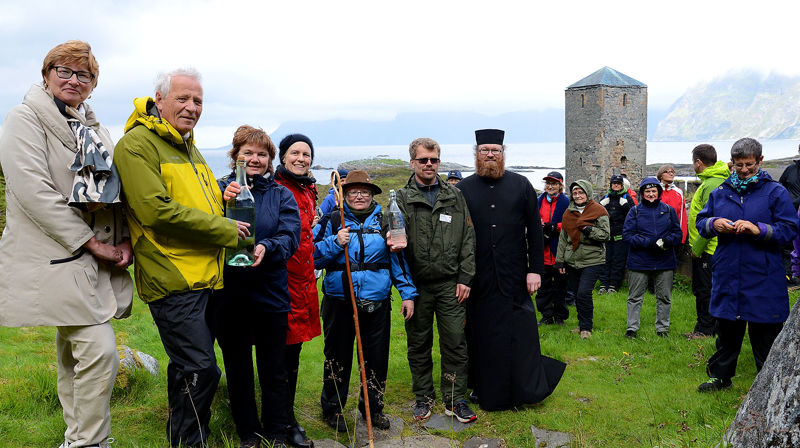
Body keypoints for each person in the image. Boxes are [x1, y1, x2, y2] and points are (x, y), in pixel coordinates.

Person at [0, 40, 133, 448]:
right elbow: (33, 191)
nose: (74, 80)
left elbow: (115, 190)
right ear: (46, 75)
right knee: (99, 351)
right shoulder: (24, 119)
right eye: (65, 71)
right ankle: (92, 442)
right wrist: (91, 243)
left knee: (73, 354)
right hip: (55, 256)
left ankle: (76, 439)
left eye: (85, 74)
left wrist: (124, 237)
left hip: (92, 260)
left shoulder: (96, 130)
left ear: (93, 85)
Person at [114, 68, 247, 447]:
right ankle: (192, 442)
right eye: (183, 99)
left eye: (198, 101)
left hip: (207, 275)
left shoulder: (189, 146)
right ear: (159, 100)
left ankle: (182, 438)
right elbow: (156, 210)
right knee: (203, 370)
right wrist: (225, 230)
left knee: (186, 369)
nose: (191, 108)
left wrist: (226, 203)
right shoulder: (137, 144)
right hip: (173, 278)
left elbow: (199, 203)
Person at [457, 128, 565, 411]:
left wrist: (536, 270)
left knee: (521, 333)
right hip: (478, 278)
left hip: (515, 275)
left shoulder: (521, 185)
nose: (490, 155)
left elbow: (535, 230)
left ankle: (525, 387)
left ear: (503, 153)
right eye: (485, 150)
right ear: (476, 154)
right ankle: (483, 387)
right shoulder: (462, 189)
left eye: (495, 150)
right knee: (482, 335)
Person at [217, 126, 300, 448]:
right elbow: (202, 225)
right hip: (230, 293)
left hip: (270, 292)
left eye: (261, 154)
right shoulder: (219, 189)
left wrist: (266, 247)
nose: (254, 158)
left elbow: (290, 235)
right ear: (235, 156)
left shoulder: (281, 195)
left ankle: (277, 431)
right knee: (237, 368)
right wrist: (220, 205)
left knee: (273, 368)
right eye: (247, 152)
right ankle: (248, 433)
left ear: (269, 161)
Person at [314, 170, 418, 431]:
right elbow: (312, 257)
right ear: (345, 195)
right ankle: (333, 409)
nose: (359, 196)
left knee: (376, 358)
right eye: (353, 192)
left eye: (364, 192)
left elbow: (398, 260)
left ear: (372, 195)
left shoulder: (385, 221)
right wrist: (336, 243)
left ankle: (372, 408)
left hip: (377, 302)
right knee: (337, 356)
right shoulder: (332, 219)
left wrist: (407, 294)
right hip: (339, 301)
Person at [696, 137, 798, 392]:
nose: (743, 170)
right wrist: (713, 224)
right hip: (728, 271)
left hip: (763, 274)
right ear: (731, 163)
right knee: (727, 330)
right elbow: (702, 220)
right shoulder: (721, 192)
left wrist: (759, 229)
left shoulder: (775, 192)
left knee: (766, 332)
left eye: (749, 165)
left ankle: (771, 383)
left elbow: (789, 230)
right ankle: (720, 376)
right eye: (739, 165)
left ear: (760, 161)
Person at [395, 137, 477, 423]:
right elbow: (393, 244)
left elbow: (468, 237)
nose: (428, 165)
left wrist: (465, 277)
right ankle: (424, 397)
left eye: (433, 160)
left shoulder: (454, 196)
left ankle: (455, 399)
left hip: (449, 284)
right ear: (412, 162)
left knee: (455, 341)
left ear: (439, 162)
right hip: (416, 286)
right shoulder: (401, 199)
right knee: (419, 343)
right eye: (423, 160)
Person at [272, 133, 321, 448]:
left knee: (293, 354)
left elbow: (307, 241)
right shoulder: (275, 189)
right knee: (277, 356)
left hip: (303, 282)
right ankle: (281, 423)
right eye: (295, 153)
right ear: (282, 157)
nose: (301, 158)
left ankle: (285, 418)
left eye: (306, 154)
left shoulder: (308, 191)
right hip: (278, 284)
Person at [622, 177, 683, 338]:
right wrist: (648, 243)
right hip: (639, 261)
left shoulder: (668, 210)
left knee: (664, 297)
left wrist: (667, 241)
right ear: (642, 193)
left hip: (664, 260)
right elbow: (627, 235)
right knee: (635, 297)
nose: (650, 194)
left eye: (653, 191)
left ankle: (662, 328)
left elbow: (677, 234)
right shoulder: (634, 211)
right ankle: (632, 328)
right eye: (647, 191)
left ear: (659, 192)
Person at [555, 180, 610, 339]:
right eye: (575, 193)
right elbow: (563, 239)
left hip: (593, 259)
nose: (578, 196)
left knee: (584, 293)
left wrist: (587, 229)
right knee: (577, 293)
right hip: (572, 259)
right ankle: (581, 324)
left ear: (587, 193)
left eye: (581, 192)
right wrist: (560, 261)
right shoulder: (568, 213)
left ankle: (587, 328)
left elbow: (605, 235)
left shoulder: (599, 211)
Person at [686, 144, 729, 339]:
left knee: (705, 290)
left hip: (708, 248)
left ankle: (705, 329)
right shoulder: (713, 181)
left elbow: (710, 221)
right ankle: (710, 327)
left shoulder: (711, 184)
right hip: (709, 247)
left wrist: (697, 247)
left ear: (698, 162)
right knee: (707, 289)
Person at [536, 171, 570, 325]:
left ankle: (560, 316)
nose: (550, 186)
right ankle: (546, 315)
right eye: (548, 183)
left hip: (559, 251)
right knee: (543, 287)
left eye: (554, 183)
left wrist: (555, 226)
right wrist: (540, 226)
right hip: (543, 250)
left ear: (560, 185)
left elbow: (571, 223)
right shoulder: (538, 201)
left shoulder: (566, 202)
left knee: (560, 287)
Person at [598, 174, 634, 295]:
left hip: (620, 236)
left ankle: (614, 285)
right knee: (605, 260)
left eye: (618, 183)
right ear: (611, 185)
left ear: (622, 185)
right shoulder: (606, 197)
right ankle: (603, 284)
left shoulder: (627, 198)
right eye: (614, 183)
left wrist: (626, 206)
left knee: (618, 261)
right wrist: (601, 205)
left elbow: (633, 215)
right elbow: (597, 214)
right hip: (607, 236)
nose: (616, 185)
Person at [657, 164, 688, 244]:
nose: (671, 174)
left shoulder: (679, 192)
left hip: (674, 237)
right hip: (657, 236)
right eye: (667, 172)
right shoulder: (655, 191)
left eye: (672, 172)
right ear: (660, 175)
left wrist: (682, 237)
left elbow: (682, 216)